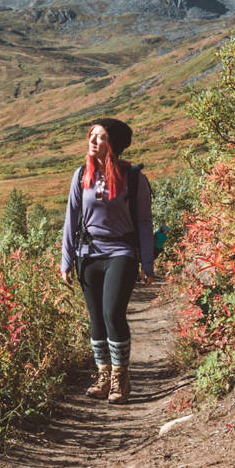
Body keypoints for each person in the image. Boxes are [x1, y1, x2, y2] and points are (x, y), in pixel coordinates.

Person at [60, 117, 154, 404]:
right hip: (88, 255)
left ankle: (120, 378)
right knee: (96, 318)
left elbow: (144, 222)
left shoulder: (134, 178)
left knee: (113, 313)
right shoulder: (81, 176)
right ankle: (103, 375)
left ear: (112, 144)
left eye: (100, 137)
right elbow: (71, 218)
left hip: (121, 253)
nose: (92, 141)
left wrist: (147, 263)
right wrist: (66, 261)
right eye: (91, 135)